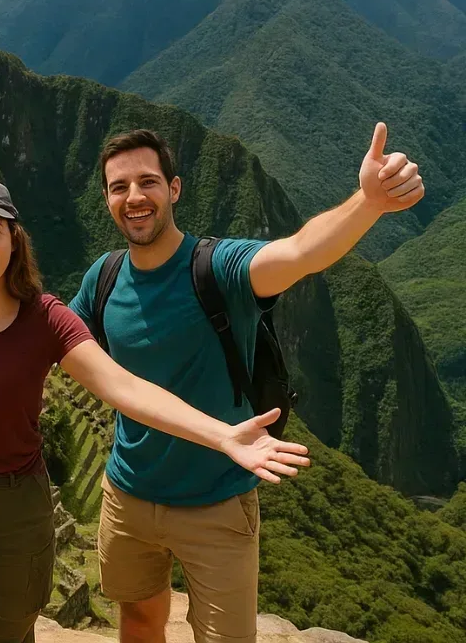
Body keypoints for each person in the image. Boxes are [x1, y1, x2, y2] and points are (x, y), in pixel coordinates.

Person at [0, 179, 311, 643]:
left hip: (14, 504)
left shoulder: (46, 318)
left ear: (13, 240)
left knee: (11, 634)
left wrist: (221, 434)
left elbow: (122, 386)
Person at [68, 126, 424, 643]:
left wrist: (368, 203)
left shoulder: (219, 268)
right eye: (119, 187)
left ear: (175, 189)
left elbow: (300, 252)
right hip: (127, 494)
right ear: (106, 199)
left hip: (216, 502)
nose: (134, 198)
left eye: (148, 182)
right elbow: (58, 339)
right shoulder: (104, 276)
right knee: (139, 620)